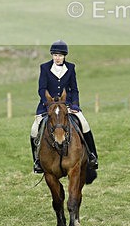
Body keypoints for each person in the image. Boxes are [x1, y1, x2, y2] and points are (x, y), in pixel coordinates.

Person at [30, 40, 98, 174]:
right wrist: (47, 103)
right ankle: (37, 161)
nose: (57, 58)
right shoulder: (44, 68)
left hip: (67, 105)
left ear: (64, 56)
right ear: (52, 55)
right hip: (48, 106)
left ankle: (92, 156)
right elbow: (41, 88)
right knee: (34, 130)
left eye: (60, 55)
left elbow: (74, 89)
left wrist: (74, 105)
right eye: (55, 55)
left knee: (85, 124)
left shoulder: (71, 68)